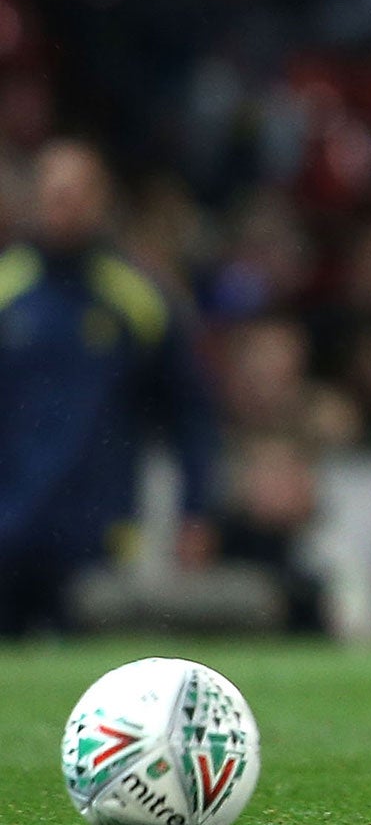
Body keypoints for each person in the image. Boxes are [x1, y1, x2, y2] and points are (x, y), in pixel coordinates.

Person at [0, 139, 221, 634]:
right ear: (34, 198)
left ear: (102, 199)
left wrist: (197, 508)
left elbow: (190, 410)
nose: (65, 207)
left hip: (98, 532)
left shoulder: (140, 296)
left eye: (77, 193)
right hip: (7, 525)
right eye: (55, 193)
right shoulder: (6, 288)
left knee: (98, 689)